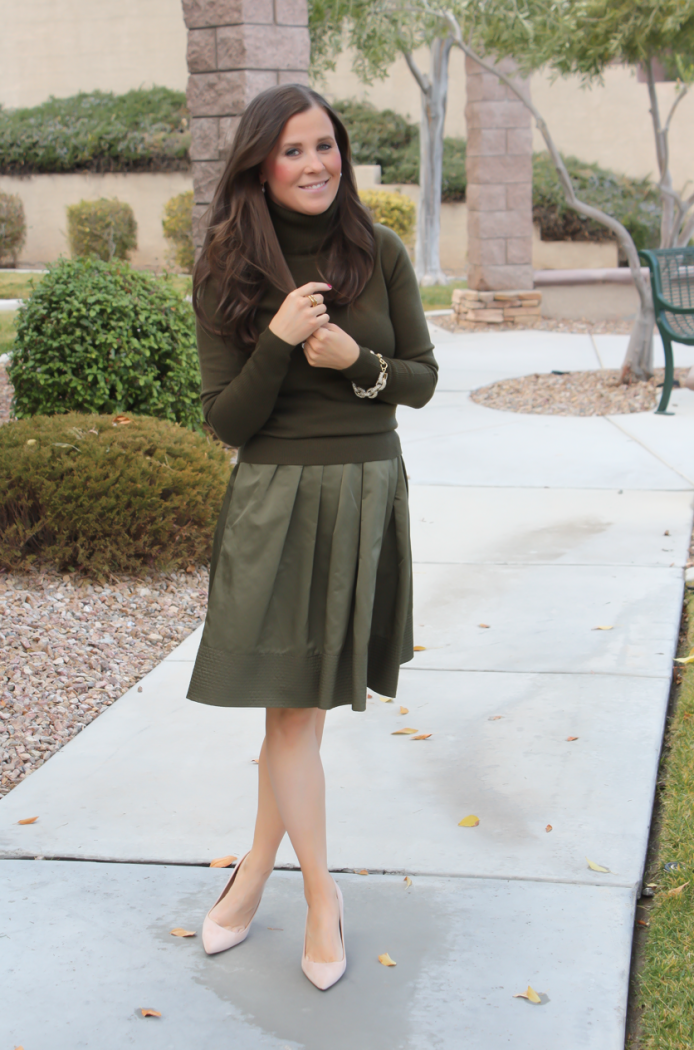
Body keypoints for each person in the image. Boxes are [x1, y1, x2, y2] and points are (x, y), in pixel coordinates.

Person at [187, 82, 438, 991]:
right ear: (260, 161)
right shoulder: (226, 270)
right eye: (293, 150)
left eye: (325, 145)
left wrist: (356, 362)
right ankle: (321, 894)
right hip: (275, 500)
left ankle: (254, 874)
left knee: (296, 711)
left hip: (365, 492)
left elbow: (420, 379)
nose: (315, 164)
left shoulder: (380, 252)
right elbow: (228, 422)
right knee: (291, 709)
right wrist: (283, 341)